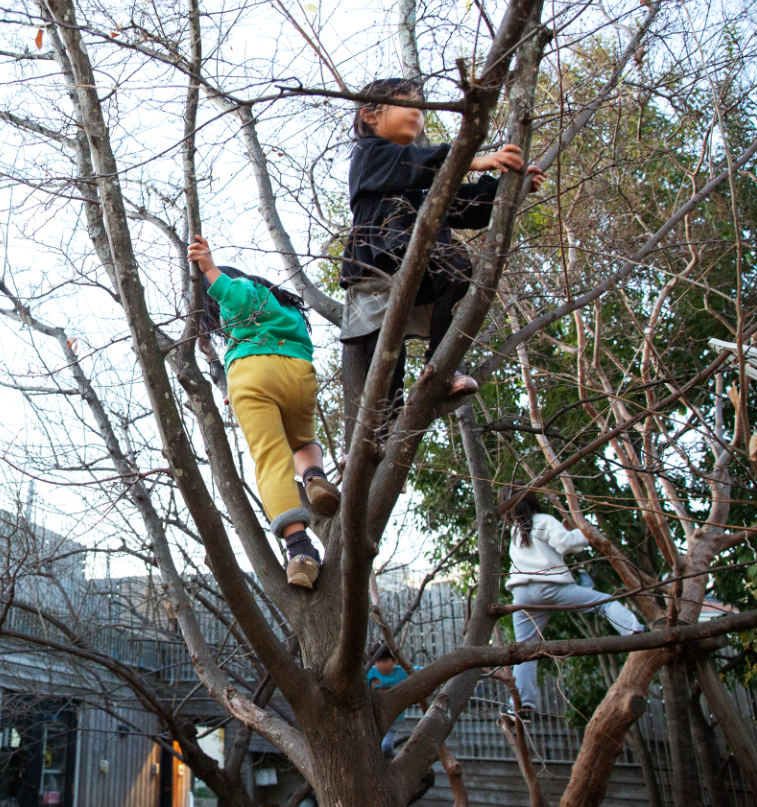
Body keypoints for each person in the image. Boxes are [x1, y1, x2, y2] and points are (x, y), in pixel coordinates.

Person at [341, 78, 544, 417]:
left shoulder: (420, 181)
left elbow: (462, 203)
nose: (417, 114)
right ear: (371, 115)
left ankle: (440, 369)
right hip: (377, 268)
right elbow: (413, 164)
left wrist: (509, 186)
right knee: (385, 364)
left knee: (454, 263)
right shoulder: (370, 154)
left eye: (422, 109)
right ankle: (383, 429)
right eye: (408, 105)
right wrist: (471, 159)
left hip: (420, 266)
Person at [186, 234, 339, 590]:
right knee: (301, 439)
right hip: (299, 375)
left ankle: (300, 552)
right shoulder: (283, 306)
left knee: (271, 460)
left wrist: (209, 269)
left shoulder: (239, 292)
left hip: (252, 379)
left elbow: (235, 298)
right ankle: (315, 477)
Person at [505, 489, 645, 719]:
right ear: (534, 501)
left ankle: (521, 706)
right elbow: (564, 543)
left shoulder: (515, 531)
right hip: (549, 587)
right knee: (603, 602)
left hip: (522, 595)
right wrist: (587, 532)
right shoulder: (544, 520)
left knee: (525, 647)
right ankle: (634, 630)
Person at [367, 648, 409, 758]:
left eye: (385, 661)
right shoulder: (370, 672)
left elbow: (420, 671)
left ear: (395, 660)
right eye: (378, 661)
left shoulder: (401, 672)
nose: (381, 665)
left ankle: (386, 758)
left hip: (390, 717)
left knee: (385, 746)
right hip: (371, 716)